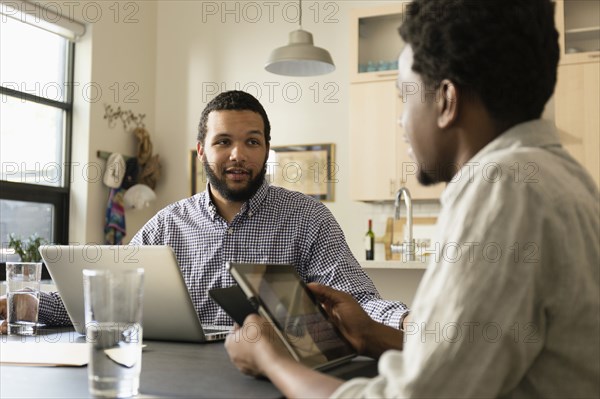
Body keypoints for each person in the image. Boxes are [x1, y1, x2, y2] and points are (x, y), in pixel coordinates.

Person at [224, 1, 600, 397]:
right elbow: (472, 359)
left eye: (405, 96)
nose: (400, 120)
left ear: (446, 100)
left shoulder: (502, 188)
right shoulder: (564, 178)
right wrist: (371, 334)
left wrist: (272, 358)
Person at [0, 90, 409, 332]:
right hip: (174, 377)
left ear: (267, 148)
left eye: (252, 141)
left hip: (270, 379)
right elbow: (104, 298)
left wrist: (411, 323)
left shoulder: (307, 219)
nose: (238, 155)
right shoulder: (166, 225)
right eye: (223, 141)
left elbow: (358, 301)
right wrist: (17, 303)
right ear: (201, 151)